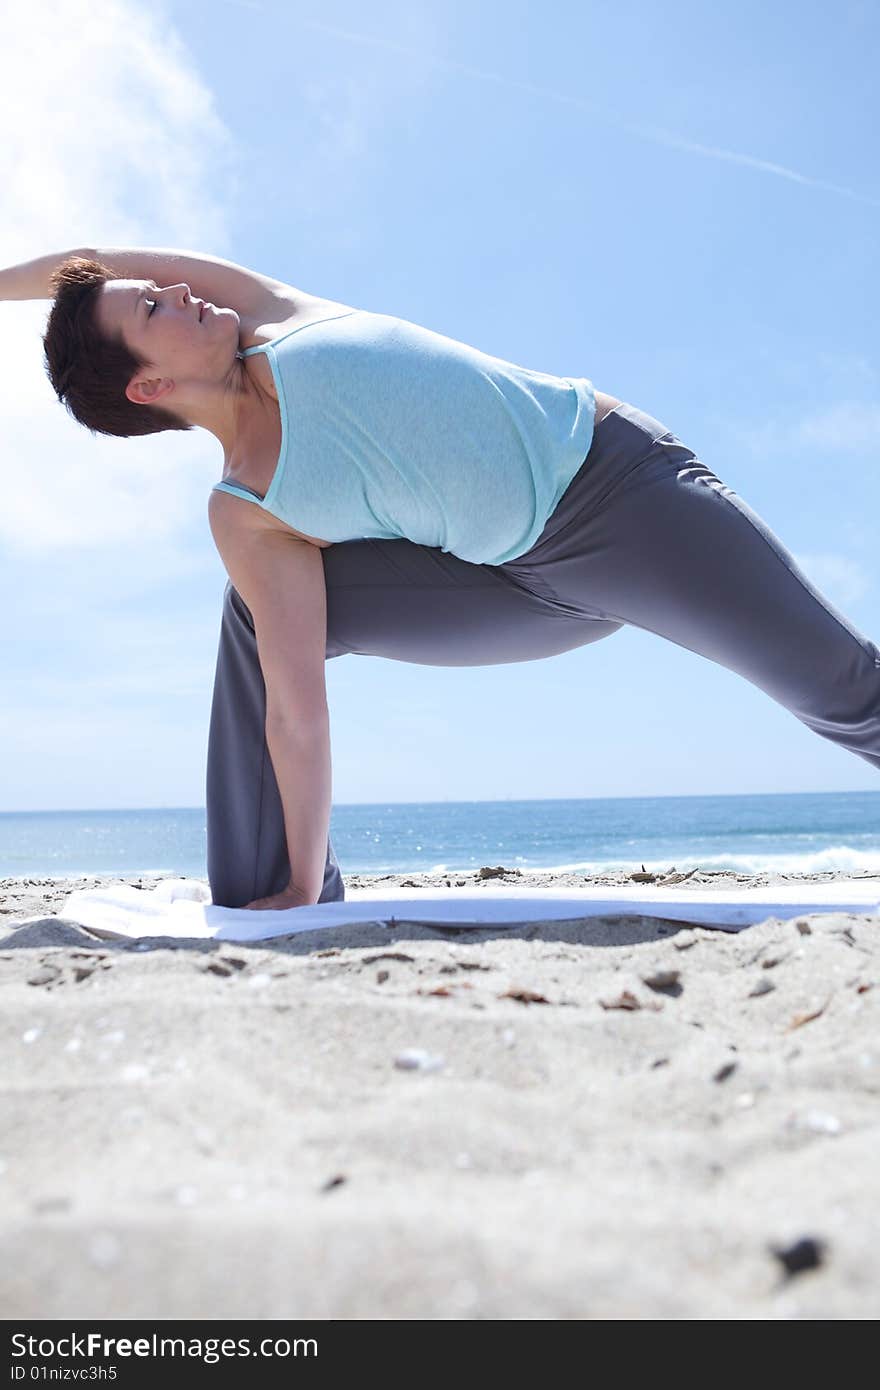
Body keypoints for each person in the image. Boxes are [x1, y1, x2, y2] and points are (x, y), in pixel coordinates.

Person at [5, 246, 879, 909]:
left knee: (841, 689)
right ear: (148, 386)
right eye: (154, 307)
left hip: (620, 495)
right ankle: (277, 899)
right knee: (257, 626)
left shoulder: (273, 313)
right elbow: (295, 710)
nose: (181, 292)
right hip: (517, 588)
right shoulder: (246, 509)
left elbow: (97, 258)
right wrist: (304, 887)